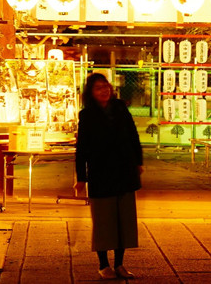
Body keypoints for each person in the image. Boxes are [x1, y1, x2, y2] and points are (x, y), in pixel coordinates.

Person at [73, 73, 143, 280]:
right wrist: (81, 177)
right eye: (98, 88)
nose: (104, 90)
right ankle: (104, 265)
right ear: (91, 93)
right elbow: (82, 148)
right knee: (104, 222)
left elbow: (133, 136)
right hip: (100, 174)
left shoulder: (120, 108)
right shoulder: (86, 115)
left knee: (124, 220)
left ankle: (120, 264)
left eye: (106, 86)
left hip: (124, 172)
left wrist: (138, 162)